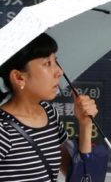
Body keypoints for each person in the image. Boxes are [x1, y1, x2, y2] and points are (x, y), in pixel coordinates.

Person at [0, 33, 97, 181]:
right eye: (47, 64)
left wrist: (85, 124)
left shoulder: (48, 112)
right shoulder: (3, 130)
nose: (59, 71)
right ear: (19, 77)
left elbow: (78, 176)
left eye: (55, 61)